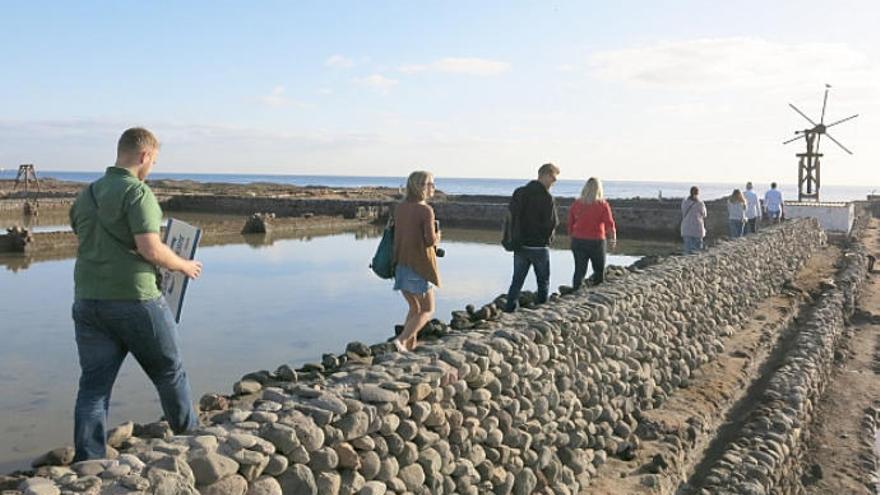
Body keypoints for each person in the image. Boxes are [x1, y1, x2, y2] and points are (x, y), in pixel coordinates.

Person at [69, 128, 203, 461]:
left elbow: (83, 235)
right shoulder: (138, 193)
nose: (152, 167)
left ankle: (90, 460)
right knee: (169, 371)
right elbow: (150, 248)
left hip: (87, 300)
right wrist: (184, 265)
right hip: (135, 299)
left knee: (94, 387)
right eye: (153, 161)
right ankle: (191, 439)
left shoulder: (86, 196)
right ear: (144, 156)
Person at [391, 171, 441, 351]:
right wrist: (438, 237)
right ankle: (402, 340)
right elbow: (429, 240)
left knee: (414, 307)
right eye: (430, 184)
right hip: (419, 266)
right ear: (420, 187)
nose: (433, 188)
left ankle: (410, 347)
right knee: (428, 310)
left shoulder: (400, 207)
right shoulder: (425, 210)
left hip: (400, 264)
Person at [504, 163, 560, 312]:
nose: (554, 181)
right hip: (539, 246)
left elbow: (511, 217)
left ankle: (509, 308)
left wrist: (511, 238)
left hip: (520, 244)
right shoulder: (547, 197)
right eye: (554, 177)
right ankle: (541, 309)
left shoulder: (519, 192)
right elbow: (551, 223)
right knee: (543, 281)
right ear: (546, 175)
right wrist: (547, 239)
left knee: (517, 280)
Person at [567, 177, 617, 289]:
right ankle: (596, 294)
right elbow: (609, 224)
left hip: (578, 240)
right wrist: (613, 239)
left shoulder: (576, 204)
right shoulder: (602, 205)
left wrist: (571, 237)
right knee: (599, 270)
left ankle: (576, 291)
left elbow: (570, 223)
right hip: (596, 241)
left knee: (579, 270)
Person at [681, 186, 707, 254]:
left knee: (688, 251)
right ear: (698, 193)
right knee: (697, 252)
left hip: (686, 228)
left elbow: (683, 212)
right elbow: (704, 214)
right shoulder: (700, 203)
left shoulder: (684, 202)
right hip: (697, 229)